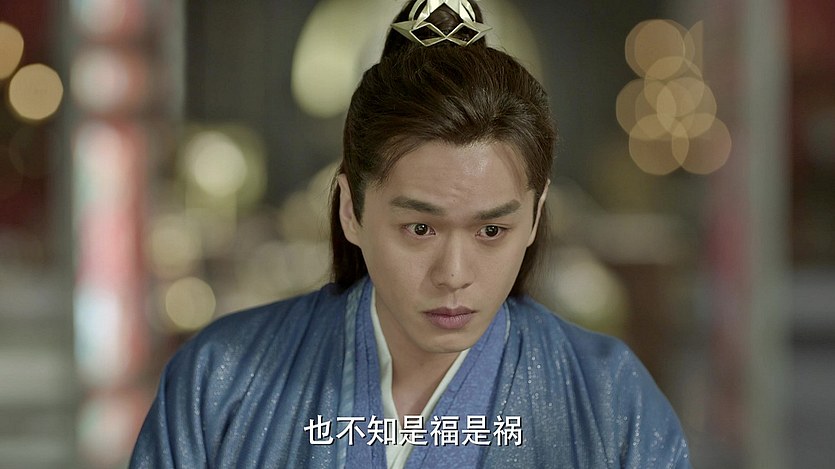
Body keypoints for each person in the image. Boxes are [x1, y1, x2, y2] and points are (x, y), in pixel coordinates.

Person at [130, 1, 691, 467]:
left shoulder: (611, 398)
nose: (454, 275)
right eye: (420, 228)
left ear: (535, 216)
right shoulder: (222, 381)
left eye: (492, 229)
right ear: (351, 209)